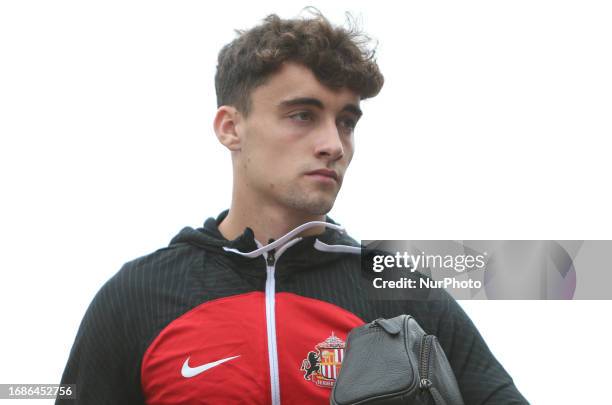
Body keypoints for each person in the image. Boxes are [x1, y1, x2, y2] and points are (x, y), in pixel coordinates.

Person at [57, 11, 528, 405]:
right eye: (303, 115)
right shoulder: (137, 295)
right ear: (230, 128)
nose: (333, 145)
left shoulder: (402, 292)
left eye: (346, 122)